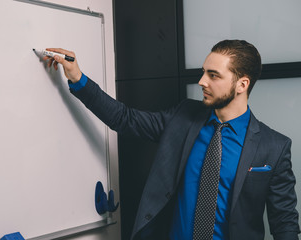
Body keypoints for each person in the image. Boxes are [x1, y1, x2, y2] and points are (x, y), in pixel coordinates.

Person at [43, 40, 300, 240]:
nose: (202, 82)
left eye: (214, 75)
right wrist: (77, 78)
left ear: (242, 84)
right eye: (203, 72)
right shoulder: (183, 117)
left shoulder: (274, 147)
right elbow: (125, 118)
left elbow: (284, 223)